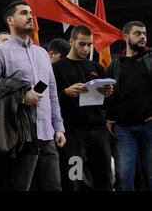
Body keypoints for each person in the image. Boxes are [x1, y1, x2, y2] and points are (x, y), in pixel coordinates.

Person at [0, 0, 66, 191]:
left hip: (47, 135)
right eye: (24, 13)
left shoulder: (42, 53)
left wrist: (58, 127)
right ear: (10, 20)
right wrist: (20, 96)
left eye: (31, 13)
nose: (30, 17)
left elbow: (52, 93)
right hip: (18, 137)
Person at [52, 25, 113, 190]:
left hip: (98, 132)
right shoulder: (57, 68)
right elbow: (48, 99)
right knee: (75, 180)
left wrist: (107, 95)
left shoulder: (97, 68)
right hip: (73, 134)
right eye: (82, 44)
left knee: (104, 178)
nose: (86, 48)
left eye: (89, 45)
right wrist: (65, 92)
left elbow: (108, 104)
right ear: (71, 41)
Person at [105, 21, 152, 191]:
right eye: (138, 33)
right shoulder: (115, 65)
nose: (143, 37)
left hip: (149, 126)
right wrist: (108, 117)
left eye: (144, 33)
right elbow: (107, 96)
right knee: (124, 178)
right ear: (126, 37)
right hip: (123, 130)